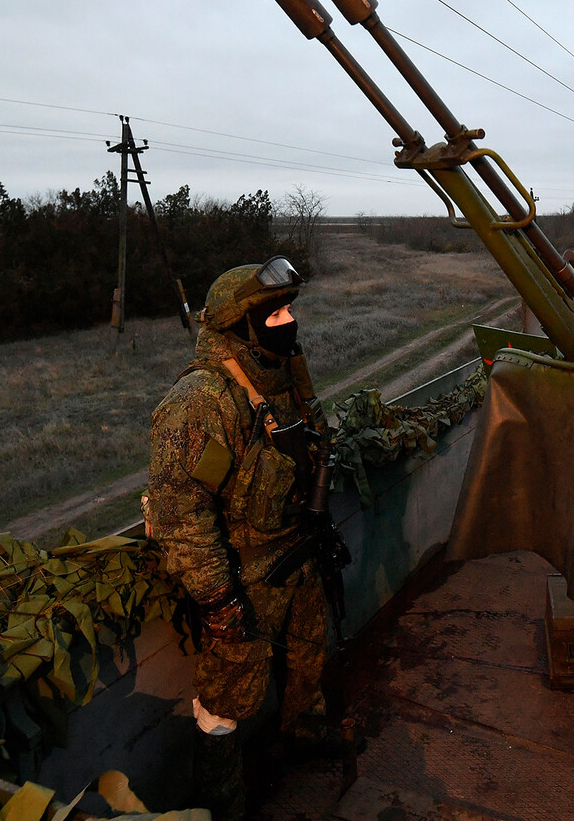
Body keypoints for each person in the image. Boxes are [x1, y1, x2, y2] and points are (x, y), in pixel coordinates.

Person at [147, 256, 336, 821]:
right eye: (273, 315)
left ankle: (304, 734)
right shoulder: (202, 401)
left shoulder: (280, 375)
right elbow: (182, 514)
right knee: (224, 700)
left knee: (309, 653)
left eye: (288, 310)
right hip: (244, 577)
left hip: (296, 551)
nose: (287, 322)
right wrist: (220, 601)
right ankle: (222, 804)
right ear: (241, 326)